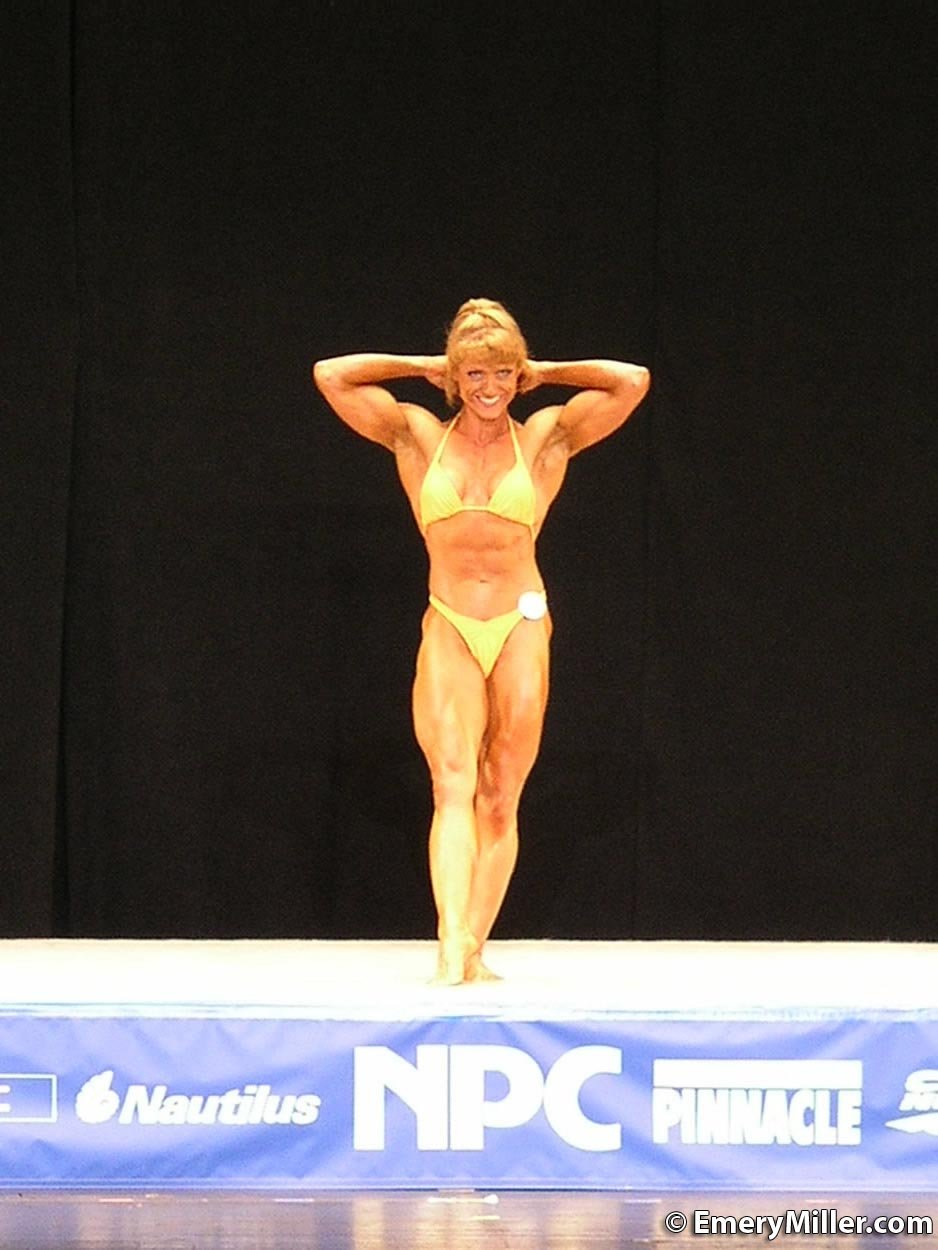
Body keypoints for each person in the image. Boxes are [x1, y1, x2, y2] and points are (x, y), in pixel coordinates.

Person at [313, 299, 649, 984]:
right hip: (451, 620)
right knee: (451, 782)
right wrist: (425, 365)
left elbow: (632, 381)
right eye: (474, 374)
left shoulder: (545, 438)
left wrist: (542, 371)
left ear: (515, 375)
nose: (489, 387)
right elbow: (331, 375)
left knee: (500, 793)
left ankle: (473, 948)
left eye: (500, 373)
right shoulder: (417, 436)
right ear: (455, 379)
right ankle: (449, 942)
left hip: (520, 621)